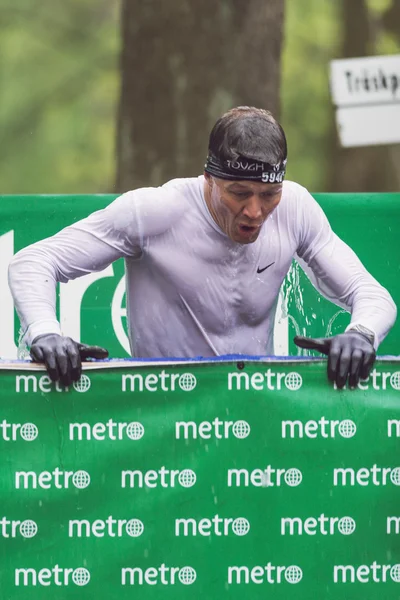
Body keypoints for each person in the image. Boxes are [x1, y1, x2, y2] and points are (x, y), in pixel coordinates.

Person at [8, 106, 396, 388]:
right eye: (240, 193)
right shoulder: (157, 211)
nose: (255, 211)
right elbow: (33, 262)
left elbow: (373, 295)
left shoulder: (294, 207)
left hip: (250, 409)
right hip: (168, 410)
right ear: (209, 179)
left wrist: (361, 334)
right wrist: (44, 332)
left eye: (269, 194)